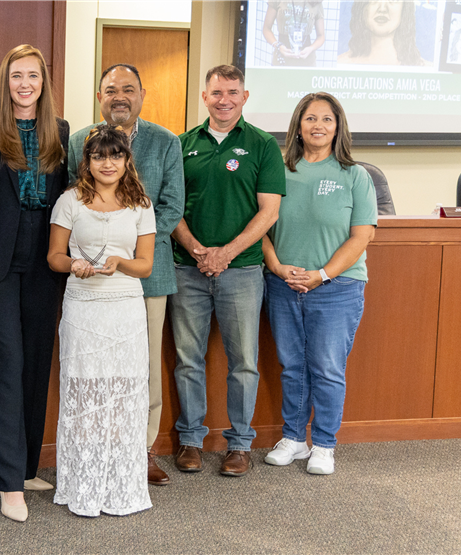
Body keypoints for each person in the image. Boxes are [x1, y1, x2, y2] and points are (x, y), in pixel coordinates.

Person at [0, 44, 68, 522]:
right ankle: (7, 484)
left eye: (33, 76)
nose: (25, 84)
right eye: (16, 76)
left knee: (36, 363)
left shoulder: (58, 131)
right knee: (6, 366)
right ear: (5, 81)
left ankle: (23, 467)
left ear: (44, 83)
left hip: (45, 262)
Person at [67, 63, 184, 487]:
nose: (120, 96)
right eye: (111, 89)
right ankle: (99, 446)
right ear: (100, 96)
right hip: (90, 277)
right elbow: (71, 196)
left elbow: (171, 204)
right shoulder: (79, 140)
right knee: (96, 368)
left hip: (146, 275)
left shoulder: (167, 142)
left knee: (144, 368)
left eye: (128, 89)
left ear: (142, 94)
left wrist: (133, 247)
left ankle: (142, 449)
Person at [171, 65, 286, 477]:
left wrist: (226, 253)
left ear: (245, 96)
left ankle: (239, 444)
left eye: (232, 92)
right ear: (204, 96)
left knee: (244, 362)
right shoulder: (181, 144)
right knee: (188, 359)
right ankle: (190, 440)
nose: (225, 99)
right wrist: (200, 250)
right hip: (187, 269)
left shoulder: (262, 145)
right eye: (217, 92)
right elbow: (171, 208)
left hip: (242, 272)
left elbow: (268, 211)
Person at [262, 92, 377, 475]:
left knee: (327, 368)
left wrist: (322, 274)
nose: (318, 126)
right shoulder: (277, 170)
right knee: (292, 366)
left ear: (338, 127)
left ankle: (324, 444)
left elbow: (361, 237)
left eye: (327, 119)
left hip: (336, 289)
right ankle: (294, 439)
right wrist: (277, 267)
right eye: (310, 118)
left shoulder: (355, 175)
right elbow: (260, 226)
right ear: (298, 125)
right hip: (283, 285)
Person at [48, 124, 156, 517]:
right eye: (99, 156)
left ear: (127, 161)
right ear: (87, 162)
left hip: (126, 308)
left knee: (124, 395)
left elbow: (144, 266)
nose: (107, 163)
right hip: (83, 309)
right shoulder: (69, 201)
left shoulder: (141, 205)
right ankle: (85, 481)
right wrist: (74, 263)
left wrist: (120, 263)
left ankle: (119, 483)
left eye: (115, 155)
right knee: (85, 394)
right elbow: (54, 257)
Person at [338, 0, 425, 65]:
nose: (382, 9)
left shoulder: (423, 68)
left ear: (404, 8)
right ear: (362, 7)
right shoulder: (341, 63)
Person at [262, 0, 326, 66]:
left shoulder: (316, 2)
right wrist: (278, 46)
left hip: (307, 60)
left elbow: (321, 35)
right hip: (282, 58)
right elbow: (266, 29)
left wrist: (311, 48)